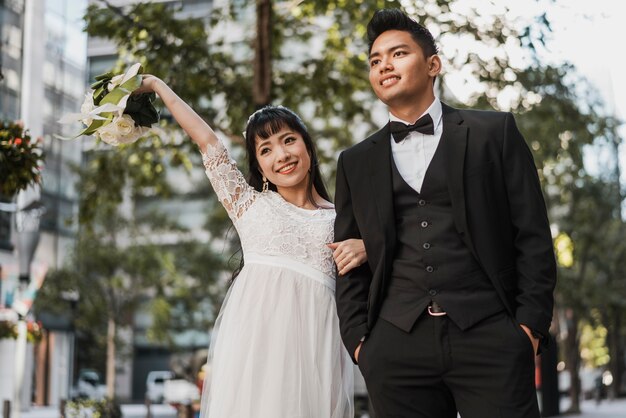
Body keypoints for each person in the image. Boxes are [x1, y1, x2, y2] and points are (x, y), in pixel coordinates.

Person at [332, 8, 557, 418]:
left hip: (491, 335)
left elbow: (533, 236)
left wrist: (529, 331)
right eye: (375, 60)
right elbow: (346, 259)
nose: (384, 65)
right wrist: (362, 344)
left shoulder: (494, 132)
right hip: (396, 346)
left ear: (433, 64)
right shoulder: (354, 161)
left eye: (398, 54)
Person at [136, 77, 365, 417]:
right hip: (256, 349)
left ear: (307, 147)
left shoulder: (341, 217)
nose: (282, 155)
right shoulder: (247, 204)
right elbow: (207, 141)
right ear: (259, 167)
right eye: (266, 149)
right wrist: (157, 87)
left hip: (317, 349)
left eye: (289, 140)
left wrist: (366, 246)